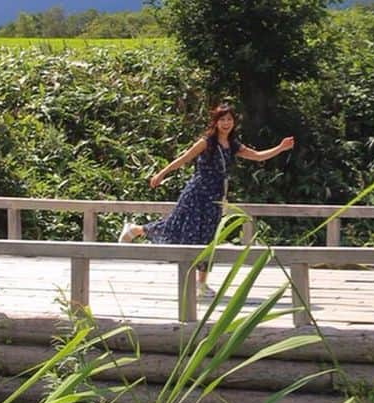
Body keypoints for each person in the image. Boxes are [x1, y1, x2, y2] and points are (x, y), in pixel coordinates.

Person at [119, 103, 294, 295]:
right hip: (196, 193)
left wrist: (280, 148)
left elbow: (258, 156)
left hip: (215, 197)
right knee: (175, 227)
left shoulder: (233, 144)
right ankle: (136, 230)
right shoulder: (206, 142)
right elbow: (184, 159)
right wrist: (161, 174)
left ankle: (201, 284)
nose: (226, 123)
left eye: (229, 119)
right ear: (216, 122)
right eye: (222, 119)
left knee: (208, 237)